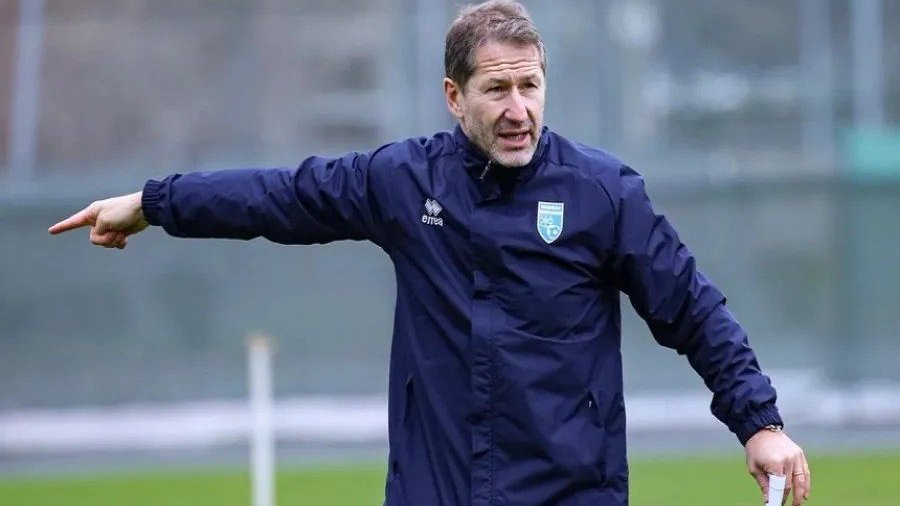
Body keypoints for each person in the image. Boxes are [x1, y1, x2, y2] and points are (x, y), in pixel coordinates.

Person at [49, 1, 810, 504]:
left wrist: (760, 422)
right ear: (454, 97)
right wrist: (154, 203)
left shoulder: (604, 194)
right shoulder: (404, 181)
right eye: (496, 90)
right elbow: (280, 196)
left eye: (530, 86)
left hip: (569, 494)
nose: (518, 109)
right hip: (435, 491)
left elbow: (693, 309)